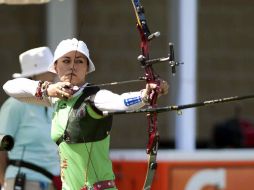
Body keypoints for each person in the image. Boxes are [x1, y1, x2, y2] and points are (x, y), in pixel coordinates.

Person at [3, 38, 169, 190]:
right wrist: (46, 89)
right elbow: (9, 87)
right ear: (55, 67)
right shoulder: (56, 99)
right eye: (66, 61)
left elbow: (121, 102)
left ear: (87, 68)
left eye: (79, 61)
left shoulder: (95, 98)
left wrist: (146, 95)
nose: (72, 66)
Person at [0, 47, 61, 190]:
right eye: (49, 70)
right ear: (34, 76)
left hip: (47, 182)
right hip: (21, 181)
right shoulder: (15, 104)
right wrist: (2, 180)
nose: (54, 74)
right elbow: (1, 144)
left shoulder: (51, 104)